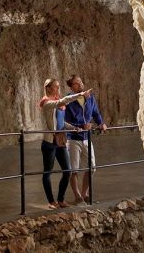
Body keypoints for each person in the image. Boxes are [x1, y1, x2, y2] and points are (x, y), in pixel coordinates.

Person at [38, 78, 91, 209]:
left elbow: (61, 123)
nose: (58, 89)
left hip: (60, 140)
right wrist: (80, 95)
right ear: (48, 88)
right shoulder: (46, 102)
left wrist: (73, 127)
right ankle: (51, 201)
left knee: (67, 170)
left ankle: (60, 199)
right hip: (49, 142)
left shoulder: (57, 102)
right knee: (47, 172)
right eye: (55, 87)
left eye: (58, 86)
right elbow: (63, 101)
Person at [63, 74, 107, 204]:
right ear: (71, 87)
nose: (81, 84)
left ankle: (84, 193)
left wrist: (101, 123)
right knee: (74, 169)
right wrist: (80, 126)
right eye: (77, 83)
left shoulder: (90, 98)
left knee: (91, 167)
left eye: (81, 82)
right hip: (73, 139)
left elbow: (95, 113)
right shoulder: (68, 100)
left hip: (86, 138)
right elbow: (64, 121)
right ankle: (77, 196)